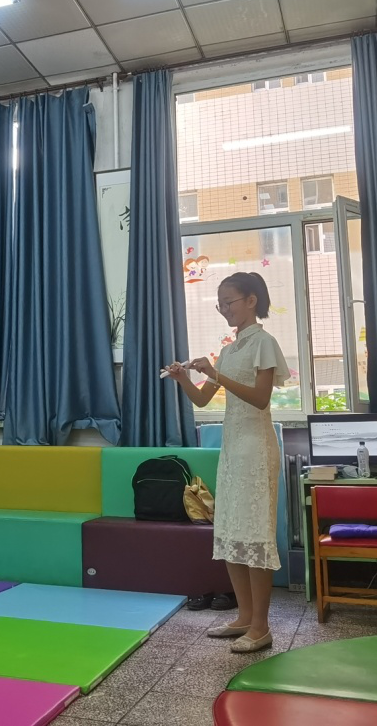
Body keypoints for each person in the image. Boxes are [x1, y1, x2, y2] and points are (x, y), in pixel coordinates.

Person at [164, 272, 289, 654]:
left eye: (229, 302)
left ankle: (262, 627)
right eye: (220, 304)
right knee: (232, 531)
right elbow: (203, 400)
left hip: (257, 449)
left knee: (255, 533)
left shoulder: (263, 343)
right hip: (233, 448)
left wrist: (216, 374)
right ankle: (245, 617)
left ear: (252, 300)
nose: (224, 309)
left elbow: (261, 399)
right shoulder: (231, 350)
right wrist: (183, 378)